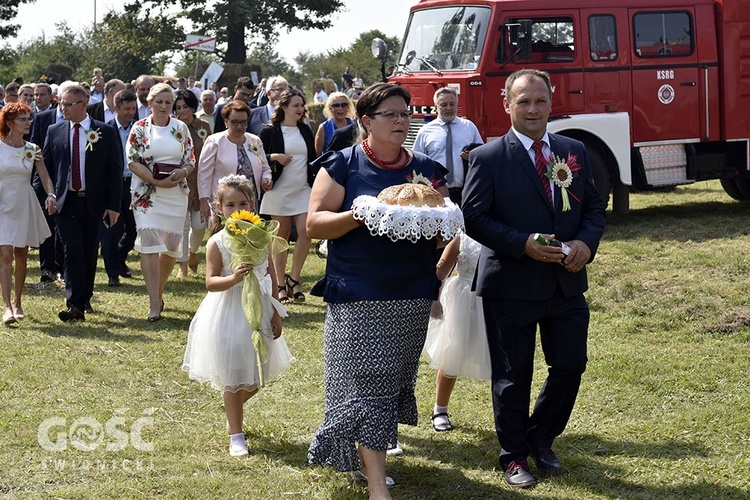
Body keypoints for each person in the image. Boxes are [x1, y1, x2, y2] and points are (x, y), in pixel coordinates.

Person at [462, 69, 606, 488]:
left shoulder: (573, 149)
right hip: (511, 283)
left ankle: (541, 438)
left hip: (566, 281)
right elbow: (473, 217)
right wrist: (521, 242)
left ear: (551, 102)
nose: (532, 109)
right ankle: (514, 456)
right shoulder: (488, 157)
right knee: (512, 375)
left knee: (570, 365)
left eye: (539, 100)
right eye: (522, 101)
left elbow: (595, 207)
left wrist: (585, 243)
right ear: (506, 104)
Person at [307, 83, 449, 500]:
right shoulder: (343, 164)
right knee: (365, 382)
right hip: (358, 291)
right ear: (366, 122)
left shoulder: (426, 169)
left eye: (406, 113)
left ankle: (367, 457)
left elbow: (446, 226)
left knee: (388, 382)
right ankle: (376, 485)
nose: (402, 121)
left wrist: (438, 257)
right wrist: (358, 213)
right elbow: (315, 223)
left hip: (410, 292)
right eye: (391, 114)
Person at [182, 174, 293, 457]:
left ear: (252, 205)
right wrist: (232, 278)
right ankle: (236, 434)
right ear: (220, 208)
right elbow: (210, 282)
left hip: (259, 309)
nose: (236, 209)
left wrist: (275, 310)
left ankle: (233, 408)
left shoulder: (261, 238)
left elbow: (269, 274)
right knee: (233, 374)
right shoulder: (217, 242)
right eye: (230, 204)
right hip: (228, 311)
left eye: (242, 203)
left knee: (259, 373)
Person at [43, 84, 122, 322]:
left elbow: (114, 171)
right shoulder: (54, 130)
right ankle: (74, 303)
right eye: (61, 104)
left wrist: (114, 205)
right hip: (65, 202)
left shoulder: (105, 132)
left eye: (68, 104)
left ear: (83, 105)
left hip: (94, 202)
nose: (63, 108)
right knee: (72, 250)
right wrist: (48, 194)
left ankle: (85, 296)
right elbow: (45, 167)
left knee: (89, 250)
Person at [127, 83, 195, 322]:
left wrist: (181, 173)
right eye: (159, 102)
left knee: (169, 249)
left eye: (168, 102)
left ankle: (158, 290)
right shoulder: (139, 127)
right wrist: (155, 181)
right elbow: (132, 161)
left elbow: (190, 160)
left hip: (175, 194)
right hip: (147, 194)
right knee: (149, 242)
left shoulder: (181, 128)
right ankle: (154, 304)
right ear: (150, 104)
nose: (164, 106)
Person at [422, 233, 491, 431]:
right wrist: (435, 299)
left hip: (492, 300)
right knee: (452, 352)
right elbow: (442, 269)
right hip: (463, 300)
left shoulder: (502, 231)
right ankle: (440, 409)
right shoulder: (462, 236)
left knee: (497, 354)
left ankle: (506, 412)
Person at [0, 103, 57, 325]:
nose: (28, 123)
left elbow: (45, 176)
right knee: (5, 254)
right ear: (10, 123)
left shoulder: (32, 149)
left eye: (29, 118)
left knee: (21, 253)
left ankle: (18, 301)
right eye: (23, 119)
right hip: (3, 202)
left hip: (24, 201)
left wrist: (51, 194)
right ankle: (6, 307)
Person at [258, 90, 316, 304]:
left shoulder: (305, 130)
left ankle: (294, 279)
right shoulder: (269, 131)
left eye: (302, 105)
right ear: (284, 107)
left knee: (306, 232)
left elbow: (313, 158)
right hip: (279, 190)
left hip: (302, 189)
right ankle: (279, 283)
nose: (300, 109)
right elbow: (256, 156)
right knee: (280, 238)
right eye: (296, 105)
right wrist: (274, 157)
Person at [198, 101, 272, 226]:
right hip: (225, 203)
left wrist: (266, 178)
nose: (239, 126)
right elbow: (204, 173)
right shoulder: (214, 141)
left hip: (249, 202)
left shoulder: (255, 140)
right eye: (235, 122)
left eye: (243, 122)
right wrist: (204, 201)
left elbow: (265, 167)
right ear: (226, 121)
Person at [413, 87, 483, 206]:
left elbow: (483, 156)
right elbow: (417, 163)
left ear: (457, 105)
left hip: (466, 193)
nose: (449, 108)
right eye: (443, 105)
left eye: (452, 104)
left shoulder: (469, 127)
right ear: (436, 107)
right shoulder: (425, 131)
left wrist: (473, 157)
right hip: (435, 194)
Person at [101, 89, 138, 287]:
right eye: (127, 109)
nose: (131, 112)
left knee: (133, 229)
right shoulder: (104, 130)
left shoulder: (139, 130)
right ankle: (113, 273)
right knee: (110, 230)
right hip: (112, 186)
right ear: (116, 108)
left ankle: (119, 257)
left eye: (133, 108)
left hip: (133, 183)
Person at [174, 89, 212, 277]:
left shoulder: (203, 126)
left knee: (199, 226)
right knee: (182, 225)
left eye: (186, 107)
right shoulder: (172, 127)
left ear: (193, 107)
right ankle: (182, 266)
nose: (182, 111)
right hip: (179, 182)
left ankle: (192, 252)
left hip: (200, 182)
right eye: (178, 108)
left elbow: (210, 153)